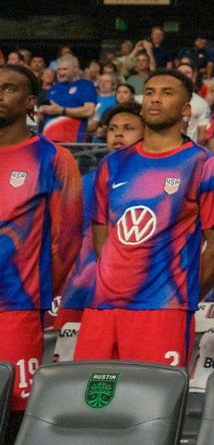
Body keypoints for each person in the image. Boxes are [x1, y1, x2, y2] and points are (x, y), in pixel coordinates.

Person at [79, 70, 214, 366]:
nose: (155, 99)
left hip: (164, 310)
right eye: (149, 92)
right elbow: (102, 230)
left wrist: (182, 296)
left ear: (186, 109)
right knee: (92, 404)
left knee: (150, 406)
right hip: (103, 306)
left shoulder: (204, 164)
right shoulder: (114, 163)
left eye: (166, 93)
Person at [0, 64, 82, 413]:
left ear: (30, 101)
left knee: (14, 410)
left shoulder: (53, 158)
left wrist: (37, 290)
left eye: (8, 88)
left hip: (16, 306)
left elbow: (67, 239)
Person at [57, 102, 143, 329]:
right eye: (113, 129)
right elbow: (68, 235)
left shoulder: (153, 182)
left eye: (128, 128)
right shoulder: (88, 182)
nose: (119, 134)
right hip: (81, 290)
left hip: (136, 293)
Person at [40, 55, 97, 143]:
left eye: (65, 69)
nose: (61, 73)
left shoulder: (86, 85)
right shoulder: (54, 88)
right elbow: (45, 112)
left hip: (72, 140)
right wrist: (42, 110)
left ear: (75, 69)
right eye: (59, 69)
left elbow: (88, 110)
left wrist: (62, 111)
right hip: (48, 139)